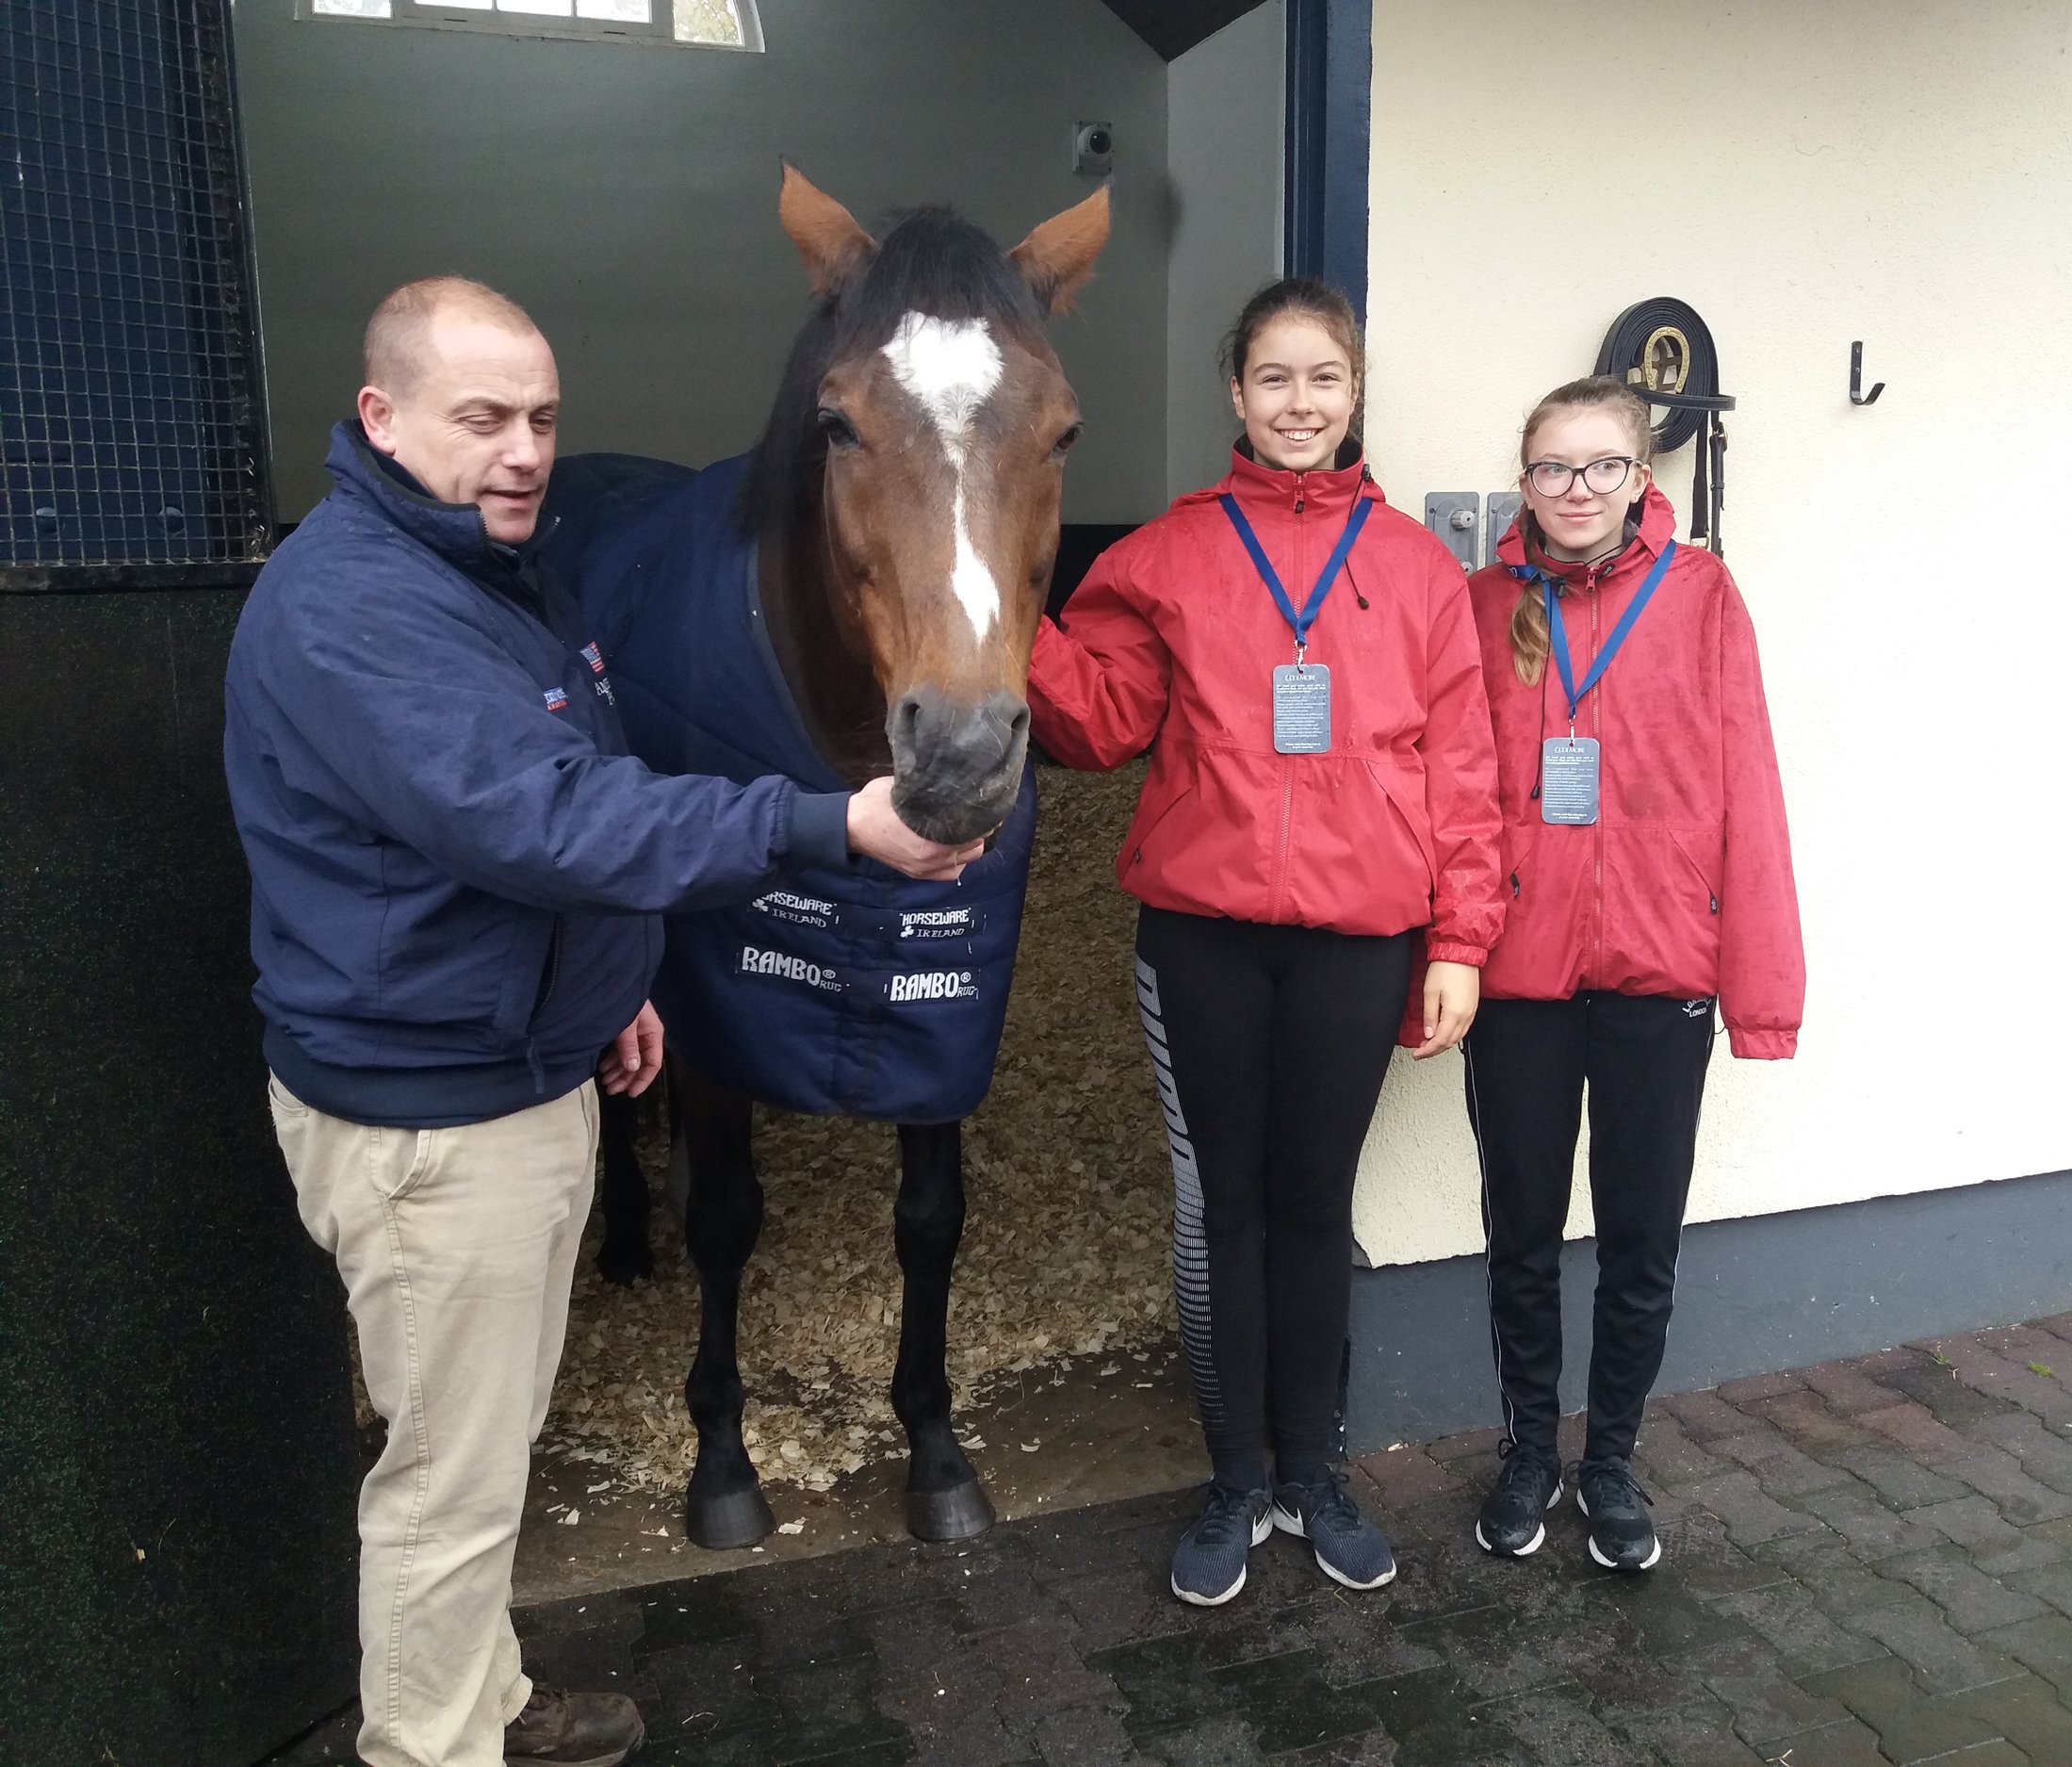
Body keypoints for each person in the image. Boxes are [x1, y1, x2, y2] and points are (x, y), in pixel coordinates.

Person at [223, 277, 976, 1767]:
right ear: (380, 417)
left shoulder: (475, 570)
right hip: (436, 1116)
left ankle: (487, 1697)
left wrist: (613, 975)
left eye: (542, 420)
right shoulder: (359, 609)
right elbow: (542, 815)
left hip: (506, 1063)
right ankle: (429, 1747)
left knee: (481, 1454)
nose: (522, 452)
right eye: (481, 418)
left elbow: (550, 786)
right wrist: (835, 824)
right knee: (446, 1483)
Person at [1028, 277, 1505, 1606]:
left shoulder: (1416, 570)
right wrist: (999, 611)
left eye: (1326, 380)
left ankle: (1318, 1472)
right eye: (1276, 380)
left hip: (1361, 942)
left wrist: (1461, 935)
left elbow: (1462, 773)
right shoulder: (1170, 556)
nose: (1302, 404)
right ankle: (1234, 1479)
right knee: (1223, 1208)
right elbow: (1098, 721)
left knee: (1313, 1205)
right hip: (1205, 938)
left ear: (1355, 396)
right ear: (1236, 396)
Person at [1460, 377, 1803, 1572]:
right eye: (1552, 469)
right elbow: (1453, 798)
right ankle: (1525, 1456)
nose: (1576, 491)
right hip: (1521, 981)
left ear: (1641, 476)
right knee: (1521, 1238)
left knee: (1640, 1240)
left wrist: (1759, 989)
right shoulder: (1483, 601)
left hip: (1663, 975)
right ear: (1524, 480)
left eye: (1601, 466)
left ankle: (1608, 1459)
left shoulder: (1702, 596)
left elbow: (1748, 791)